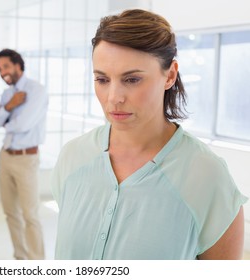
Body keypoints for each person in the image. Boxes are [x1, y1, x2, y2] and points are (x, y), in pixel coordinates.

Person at [51, 9, 248, 260]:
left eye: (132, 79)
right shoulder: (73, 157)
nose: (114, 98)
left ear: (170, 75)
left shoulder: (207, 176)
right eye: (102, 79)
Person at [0, 49, 48, 260]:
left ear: (17, 64)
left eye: (5, 66)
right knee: (11, 213)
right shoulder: (7, 95)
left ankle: (37, 262)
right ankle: (21, 259)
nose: (2, 72)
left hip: (26, 159)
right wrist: (10, 106)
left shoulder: (36, 90)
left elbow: (23, 124)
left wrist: (5, 119)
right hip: (5, 157)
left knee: (30, 214)